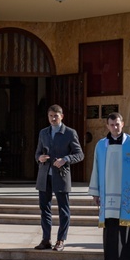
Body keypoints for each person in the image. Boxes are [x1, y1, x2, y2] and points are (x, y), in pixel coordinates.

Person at [89, 112, 130, 260]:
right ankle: (111, 259)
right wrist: (95, 192)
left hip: (127, 194)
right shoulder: (101, 145)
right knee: (111, 227)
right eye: (112, 124)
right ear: (107, 126)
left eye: (117, 124)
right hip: (107, 193)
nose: (115, 127)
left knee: (126, 226)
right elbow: (96, 167)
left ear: (123, 124)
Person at [33, 104, 85, 251]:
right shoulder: (43, 133)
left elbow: (79, 154)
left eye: (56, 116)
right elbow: (37, 153)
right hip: (44, 176)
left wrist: (65, 159)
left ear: (61, 116)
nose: (53, 118)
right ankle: (46, 239)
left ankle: (61, 240)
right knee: (45, 209)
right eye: (50, 116)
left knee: (63, 209)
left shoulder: (69, 133)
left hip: (61, 176)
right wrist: (40, 158)